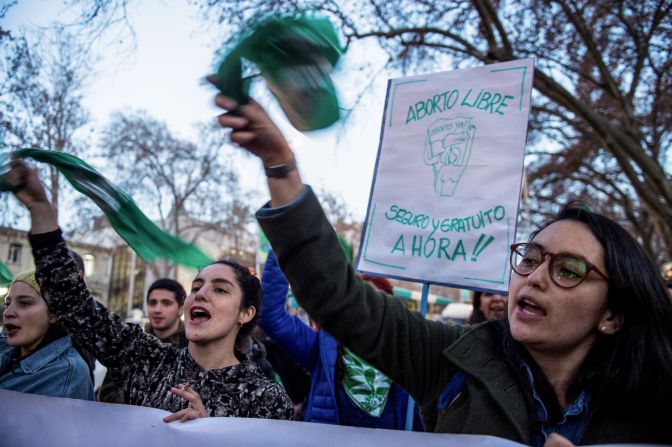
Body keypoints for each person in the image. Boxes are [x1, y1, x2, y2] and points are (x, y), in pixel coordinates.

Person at [213, 92, 672, 444]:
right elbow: (339, 297)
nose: (534, 276)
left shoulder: (652, 402)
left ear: (612, 314)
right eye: (529, 259)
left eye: (568, 270)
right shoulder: (453, 358)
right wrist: (280, 167)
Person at [6, 161, 293, 423]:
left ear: (245, 313)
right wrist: (40, 209)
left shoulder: (267, 400)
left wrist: (210, 436)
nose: (201, 294)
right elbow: (71, 301)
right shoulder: (145, 360)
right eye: (196, 287)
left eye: (220, 289)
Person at [261, 250, 423, 430]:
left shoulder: (406, 355)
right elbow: (271, 317)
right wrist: (282, 248)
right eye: (359, 301)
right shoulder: (322, 347)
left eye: (376, 303)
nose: (367, 310)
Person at [0, 271, 94, 400]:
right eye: (7, 303)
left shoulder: (65, 373)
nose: (7, 312)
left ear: (54, 314)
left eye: (24, 303)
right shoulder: (6, 348)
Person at [97, 278, 188, 403]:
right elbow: (107, 394)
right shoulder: (132, 343)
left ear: (181, 309)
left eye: (166, 303)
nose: (157, 309)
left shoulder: (191, 348)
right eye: (152, 303)